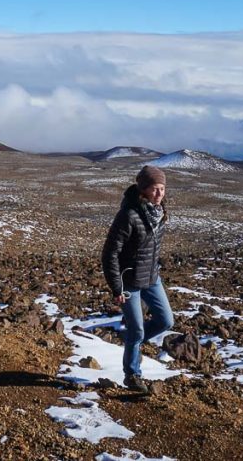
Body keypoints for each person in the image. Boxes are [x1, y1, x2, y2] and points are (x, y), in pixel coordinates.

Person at [101, 165, 175, 393]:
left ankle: (132, 341)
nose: (160, 193)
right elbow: (110, 253)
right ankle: (132, 375)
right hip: (129, 282)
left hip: (152, 278)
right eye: (155, 188)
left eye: (162, 188)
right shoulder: (129, 215)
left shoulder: (160, 212)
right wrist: (116, 288)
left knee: (166, 321)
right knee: (138, 330)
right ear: (143, 190)